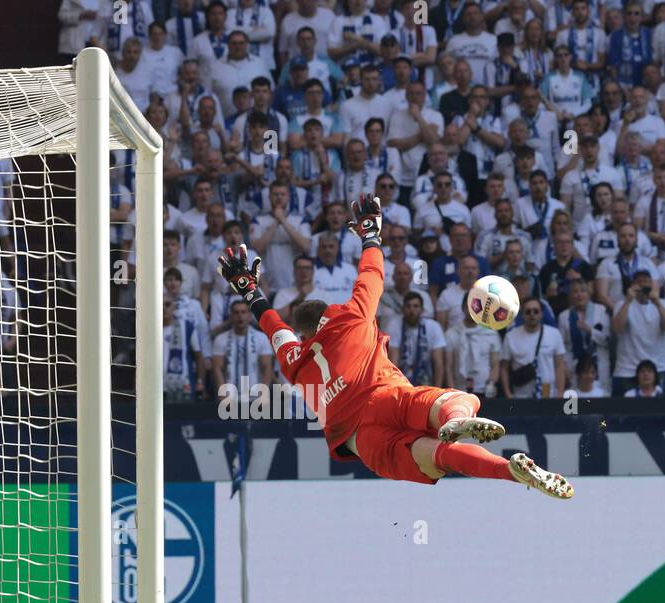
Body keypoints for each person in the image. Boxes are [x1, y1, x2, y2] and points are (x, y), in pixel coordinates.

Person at [215, 194, 573, 498]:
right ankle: (459, 419)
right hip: (388, 397)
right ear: (329, 311)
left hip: (361, 438)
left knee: (442, 456)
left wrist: (250, 290)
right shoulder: (351, 316)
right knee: (458, 400)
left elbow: (273, 325)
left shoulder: (293, 359)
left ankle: (509, 471)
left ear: (303, 336)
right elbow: (371, 274)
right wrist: (370, 235)